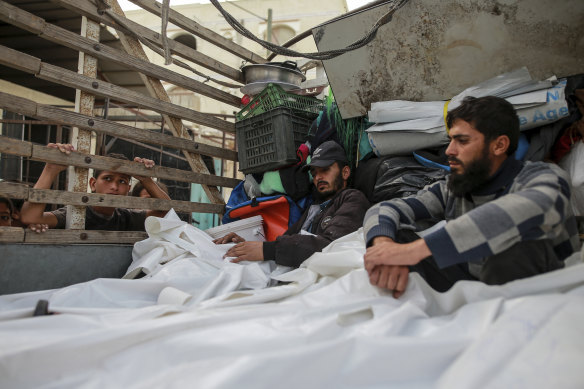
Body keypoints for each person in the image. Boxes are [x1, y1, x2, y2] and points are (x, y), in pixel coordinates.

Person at [363, 96, 581, 297]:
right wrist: (385, 247)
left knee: (510, 253)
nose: (449, 150)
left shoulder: (545, 177)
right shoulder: (455, 187)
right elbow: (384, 208)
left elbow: (524, 210)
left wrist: (416, 251)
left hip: (537, 287)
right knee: (396, 233)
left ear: (499, 145)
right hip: (472, 280)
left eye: (462, 141)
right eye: (450, 140)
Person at [214, 140, 371, 268]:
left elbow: (330, 246)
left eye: (325, 170)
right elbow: (283, 242)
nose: (317, 177)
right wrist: (245, 245)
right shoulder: (314, 207)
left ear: (345, 172)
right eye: (314, 173)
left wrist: (265, 249)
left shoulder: (352, 199)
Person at [21, 143, 170, 231]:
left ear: (128, 188)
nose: (114, 187)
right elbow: (30, 217)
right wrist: (50, 169)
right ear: (93, 184)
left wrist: (146, 179)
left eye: (122, 181)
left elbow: (167, 214)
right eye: (107, 179)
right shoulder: (76, 213)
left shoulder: (125, 216)